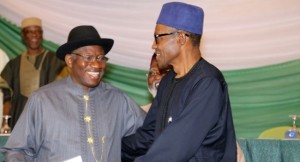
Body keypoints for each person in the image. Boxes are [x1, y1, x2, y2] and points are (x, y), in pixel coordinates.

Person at [1, 25, 146, 161]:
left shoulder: (118, 99)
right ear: (70, 60)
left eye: (101, 58)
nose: (96, 65)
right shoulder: (42, 100)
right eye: (88, 58)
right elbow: (17, 150)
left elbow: (149, 134)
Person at [122, 2, 237, 162]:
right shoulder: (168, 81)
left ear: (181, 38)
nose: (153, 45)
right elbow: (148, 136)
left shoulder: (208, 82)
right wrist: (109, 150)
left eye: (157, 37)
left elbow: (174, 149)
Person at [144, 54, 246, 162]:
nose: (159, 77)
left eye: (167, 72)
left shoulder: (199, 111)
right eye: (153, 72)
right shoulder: (137, 115)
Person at [0, 17, 67, 129]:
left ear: (42, 34)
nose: (34, 35)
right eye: (30, 32)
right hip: (20, 123)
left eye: (37, 31)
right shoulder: (13, 65)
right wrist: (5, 123)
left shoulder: (56, 62)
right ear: (23, 35)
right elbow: (7, 99)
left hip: (49, 123)